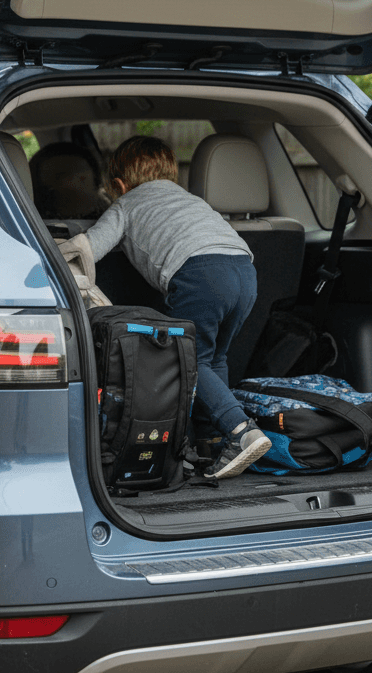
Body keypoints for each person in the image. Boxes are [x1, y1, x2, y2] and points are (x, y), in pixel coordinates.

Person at [83, 135, 270, 479]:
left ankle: (242, 431)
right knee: (213, 359)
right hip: (245, 271)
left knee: (190, 362)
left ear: (119, 185)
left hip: (201, 275)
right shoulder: (191, 200)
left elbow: (88, 250)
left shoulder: (126, 204)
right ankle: (213, 442)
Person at [29, 142, 106, 220]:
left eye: (81, 176)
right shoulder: (35, 222)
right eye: (59, 176)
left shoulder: (107, 209)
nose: (72, 181)